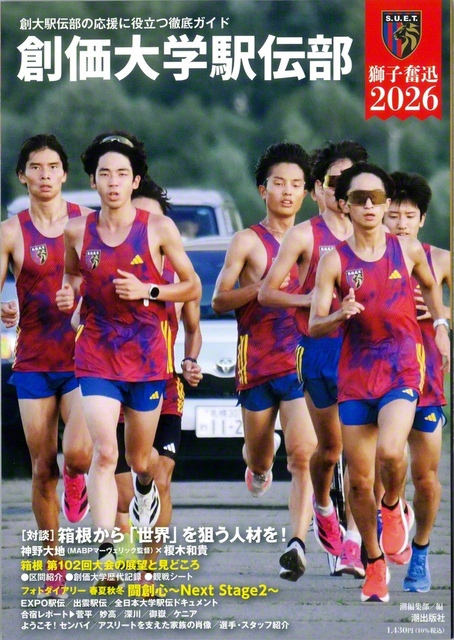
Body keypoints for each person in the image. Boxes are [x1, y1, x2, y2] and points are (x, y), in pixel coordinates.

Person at [56, 132, 200, 567]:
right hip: (97, 352)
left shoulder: (157, 228)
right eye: (105, 174)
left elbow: (191, 285)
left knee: (140, 460)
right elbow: (72, 277)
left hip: (147, 357)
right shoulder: (77, 230)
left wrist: (148, 289)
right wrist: (69, 296)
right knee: (104, 453)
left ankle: (144, 486)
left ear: (135, 181)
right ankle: (105, 550)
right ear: (93, 181)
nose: (113, 182)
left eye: (122, 174)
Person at [308, 161, 450, 603]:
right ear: (345, 205)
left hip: (402, 365)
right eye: (359, 198)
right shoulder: (333, 260)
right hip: (355, 372)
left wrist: (441, 324)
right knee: (357, 482)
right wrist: (339, 314)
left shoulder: (407, 251)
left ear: (385, 203)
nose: (369, 206)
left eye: (376, 198)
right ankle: (373, 563)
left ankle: (392, 508)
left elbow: (432, 287)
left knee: (391, 451)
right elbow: (314, 323)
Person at [259, 140, 368, 577]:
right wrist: (308, 300)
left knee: (362, 452)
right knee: (330, 450)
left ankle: (355, 543)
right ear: (321, 187)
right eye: (336, 181)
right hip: (319, 351)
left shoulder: (377, 232)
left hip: (367, 351)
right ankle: (323, 507)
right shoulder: (306, 235)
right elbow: (267, 293)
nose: (345, 189)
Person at [212, 142, 317, 582]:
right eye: (279, 183)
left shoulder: (314, 241)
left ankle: (297, 543)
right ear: (263, 190)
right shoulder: (247, 241)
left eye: (296, 185)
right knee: (260, 458)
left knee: (303, 454)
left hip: (299, 361)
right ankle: (258, 463)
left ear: (306, 192)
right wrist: (260, 289)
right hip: (255, 361)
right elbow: (218, 300)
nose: (287, 192)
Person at [0, 134, 93, 597]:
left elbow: (107, 280)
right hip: (34, 360)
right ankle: (54, 563)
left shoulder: (88, 222)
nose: (44, 175)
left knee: (76, 454)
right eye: (35, 167)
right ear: (23, 175)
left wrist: (81, 297)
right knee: (41, 468)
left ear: (64, 174)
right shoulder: (10, 232)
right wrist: (5, 309)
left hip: (83, 357)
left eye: (53, 167)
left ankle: (78, 479)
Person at [113, 176, 203, 578]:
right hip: (117, 384)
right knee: (122, 493)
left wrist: (190, 360)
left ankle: (147, 571)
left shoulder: (180, 279)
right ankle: (118, 554)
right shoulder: (113, 271)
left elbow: (194, 328)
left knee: (160, 477)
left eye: (152, 218)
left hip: (164, 386)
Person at [383, 171, 450, 592]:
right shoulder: (363, 259)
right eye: (393, 215)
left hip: (427, 382)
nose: (401, 223)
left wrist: (442, 315)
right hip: (378, 377)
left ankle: (421, 552)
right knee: (382, 464)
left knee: (426, 477)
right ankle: (390, 511)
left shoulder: (439, 259)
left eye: (409, 216)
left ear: (422, 219)